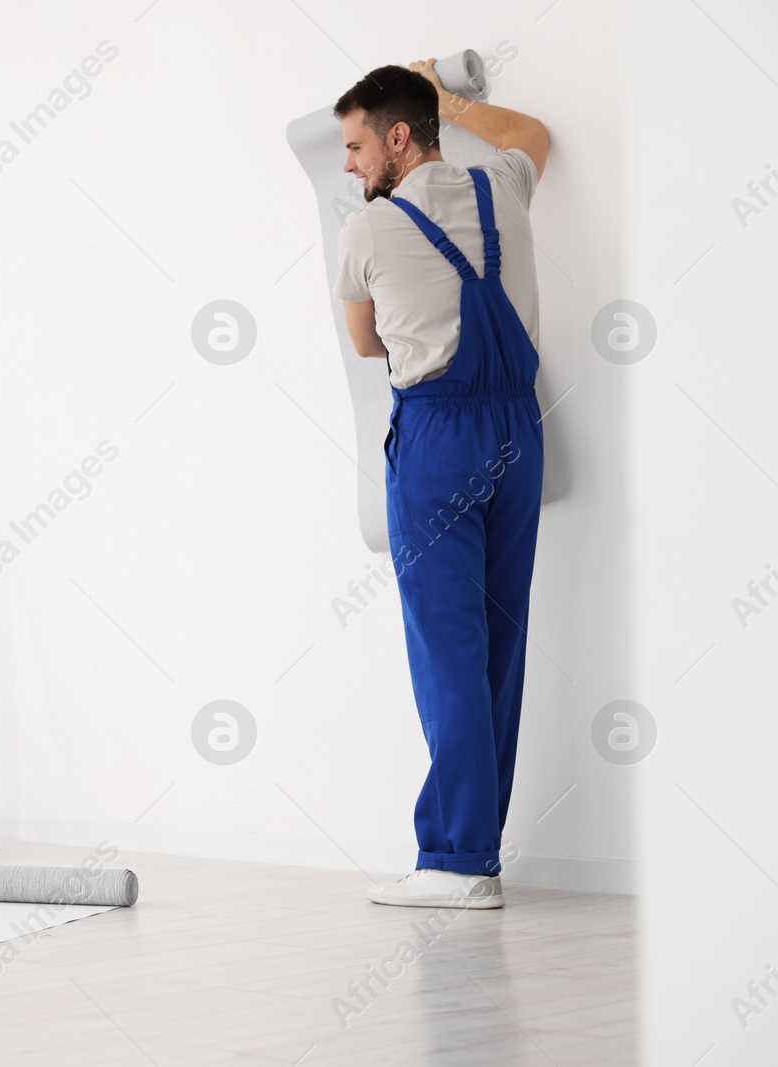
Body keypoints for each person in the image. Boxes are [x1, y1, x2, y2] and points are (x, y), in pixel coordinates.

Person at [331, 62, 550, 908]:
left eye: (355, 146)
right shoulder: (504, 187)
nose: (349, 166)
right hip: (518, 432)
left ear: (395, 138)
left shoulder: (367, 232)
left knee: (445, 648)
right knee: (498, 643)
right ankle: (475, 855)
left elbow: (365, 344)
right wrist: (451, 101)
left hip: (437, 436)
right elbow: (531, 135)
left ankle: (457, 862)